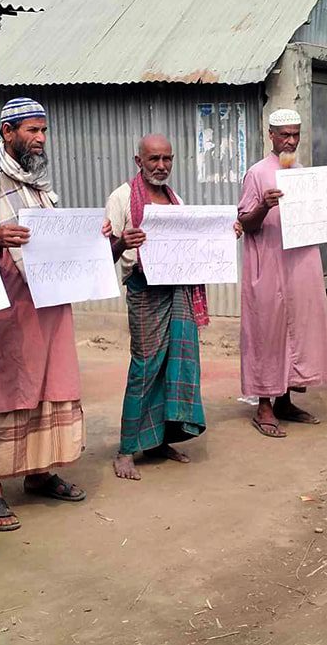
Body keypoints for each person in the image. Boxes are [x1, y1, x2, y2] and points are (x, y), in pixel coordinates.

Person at [0, 98, 88, 529]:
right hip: (7, 306)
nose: (40, 138)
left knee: (48, 387)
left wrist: (91, 238)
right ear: (7, 131)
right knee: (8, 392)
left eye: (44, 130)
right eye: (32, 130)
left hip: (47, 305)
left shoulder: (37, 180)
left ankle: (40, 472)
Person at [107, 133, 219, 477]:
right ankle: (127, 448)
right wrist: (122, 241)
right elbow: (103, 253)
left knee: (176, 363)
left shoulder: (176, 200)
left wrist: (223, 235)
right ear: (138, 161)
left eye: (167, 159)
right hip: (144, 292)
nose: (161, 166)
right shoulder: (122, 198)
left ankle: (159, 440)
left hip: (177, 291)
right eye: (153, 159)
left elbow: (191, 244)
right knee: (145, 365)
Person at [237, 109, 327, 437]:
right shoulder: (256, 174)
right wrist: (265, 206)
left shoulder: (302, 173)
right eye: (284, 135)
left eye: (295, 134)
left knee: (299, 331)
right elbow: (246, 223)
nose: (291, 141)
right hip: (267, 264)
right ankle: (264, 405)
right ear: (271, 135)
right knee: (268, 332)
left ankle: (285, 400)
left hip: (300, 264)